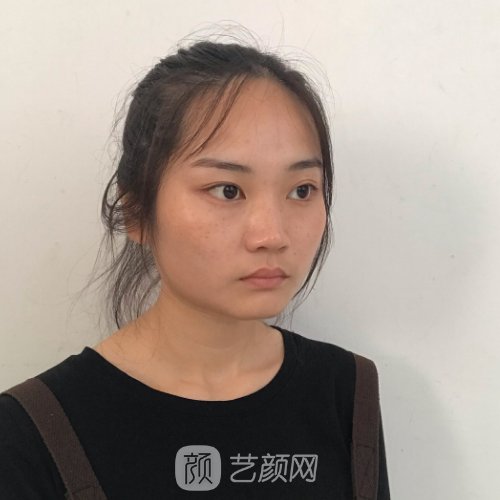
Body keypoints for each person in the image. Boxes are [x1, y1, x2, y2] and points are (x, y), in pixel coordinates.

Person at [0, 35, 390, 499]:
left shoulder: (346, 390)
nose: (272, 235)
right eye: (227, 190)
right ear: (137, 211)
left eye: (301, 190)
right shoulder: (31, 431)